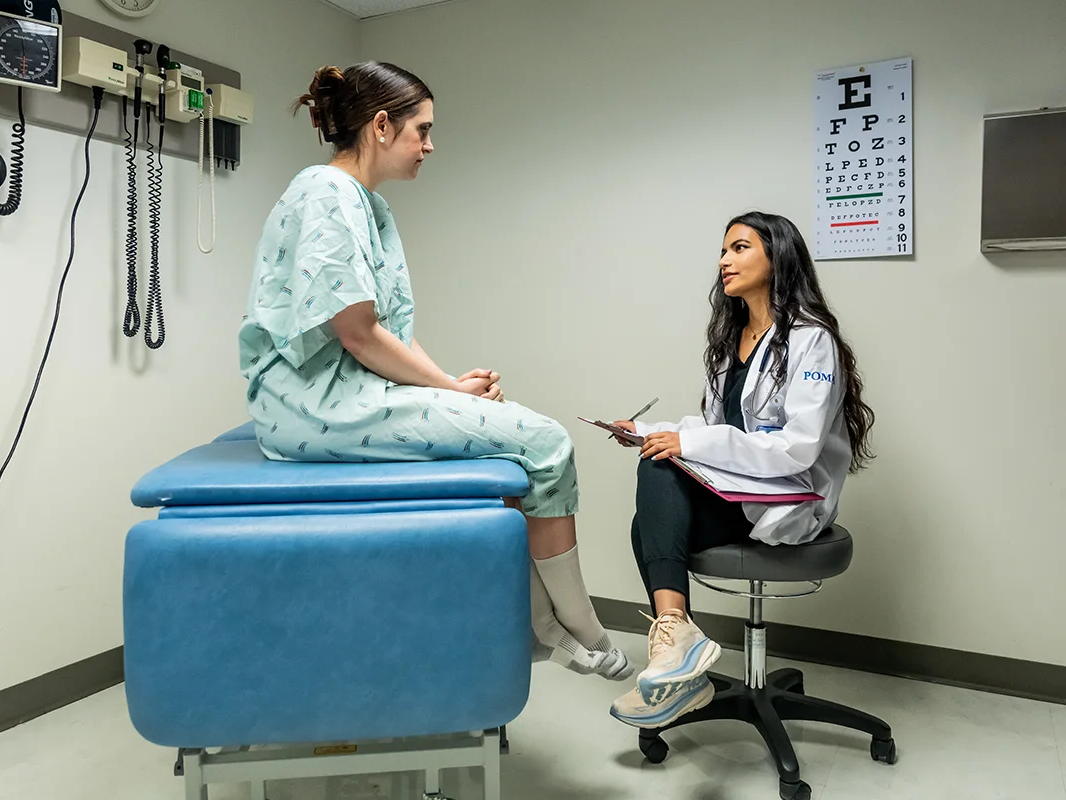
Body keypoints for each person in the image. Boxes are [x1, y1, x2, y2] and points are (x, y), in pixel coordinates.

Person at [237, 61, 633, 681]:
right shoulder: (326, 193)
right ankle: (577, 621)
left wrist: (452, 384)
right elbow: (357, 333)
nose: (429, 144)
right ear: (380, 126)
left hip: (347, 389)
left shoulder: (368, 205)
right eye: (421, 129)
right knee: (548, 443)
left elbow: (387, 332)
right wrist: (448, 390)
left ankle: (537, 621)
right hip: (310, 406)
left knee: (503, 444)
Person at [605, 211, 876, 729]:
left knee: (656, 493)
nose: (724, 260)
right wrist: (650, 429)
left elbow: (796, 449)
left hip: (788, 497)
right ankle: (678, 649)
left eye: (739, 248)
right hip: (739, 493)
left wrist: (683, 442)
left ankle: (678, 655)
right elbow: (714, 426)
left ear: (777, 256)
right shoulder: (732, 339)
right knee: (654, 487)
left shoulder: (810, 339)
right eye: (723, 250)